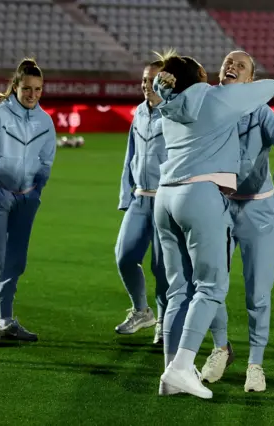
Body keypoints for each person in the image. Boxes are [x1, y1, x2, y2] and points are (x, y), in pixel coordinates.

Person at [151, 49, 274, 399]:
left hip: (164, 197)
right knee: (211, 288)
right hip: (200, 196)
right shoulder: (218, 99)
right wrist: (230, 87)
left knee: (179, 289)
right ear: (201, 80)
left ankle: (171, 370)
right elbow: (272, 86)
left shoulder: (167, 105)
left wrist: (167, 88)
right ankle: (181, 369)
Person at [200, 51, 274, 392]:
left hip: (258, 211)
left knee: (258, 294)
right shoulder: (207, 106)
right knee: (211, 286)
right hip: (218, 207)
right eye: (228, 62)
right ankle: (221, 348)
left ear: (251, 82)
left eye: (240, 65)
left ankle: (255, 364)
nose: (232, 67)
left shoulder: (261, 112)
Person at [0, 58, 56, 345]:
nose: (33, 94)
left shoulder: (45, 121)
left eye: (38, 89)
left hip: (27, 199)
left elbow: (46, 161)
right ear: (15, 87)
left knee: (16, 261)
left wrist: (36, 190)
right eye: (27, 88)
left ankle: (5, 319)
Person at [114, 60, 169, 344]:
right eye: (144, 80)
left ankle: (164, 322)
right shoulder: (139, 111)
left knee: (162, 268)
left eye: (152, 80)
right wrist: (126, 195)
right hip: (139, 197)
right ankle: (141, 311)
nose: (146, 85)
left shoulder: (174, 114)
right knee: (124, 257)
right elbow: (130, 154)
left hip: (166, 200)